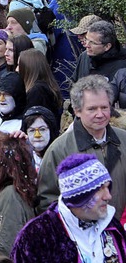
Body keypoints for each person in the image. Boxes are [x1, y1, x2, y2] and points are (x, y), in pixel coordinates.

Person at [38, 75, 126, 217]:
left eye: (104, 107)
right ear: (77, 111)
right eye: (92, 109)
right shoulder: (59, 149)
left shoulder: (123, 140)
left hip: (120, 232)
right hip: (80, 235)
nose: (100, 114)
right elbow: (47, 200)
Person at [12, 154, 126, 262]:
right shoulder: (36, 235)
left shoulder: (112, 227)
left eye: (107, 187)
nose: (108, 196)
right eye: (100, 189)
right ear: (79, 197)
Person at [18, 48, 62, 121]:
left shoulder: (37, 91)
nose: (17, 69)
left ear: (27, 68)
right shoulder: (45, 87)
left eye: (19, 66)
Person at [21, 106, 59, 173]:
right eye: (32, 130)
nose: (37, 135)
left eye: (42, 129)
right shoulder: (22, 159)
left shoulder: (60, 156)